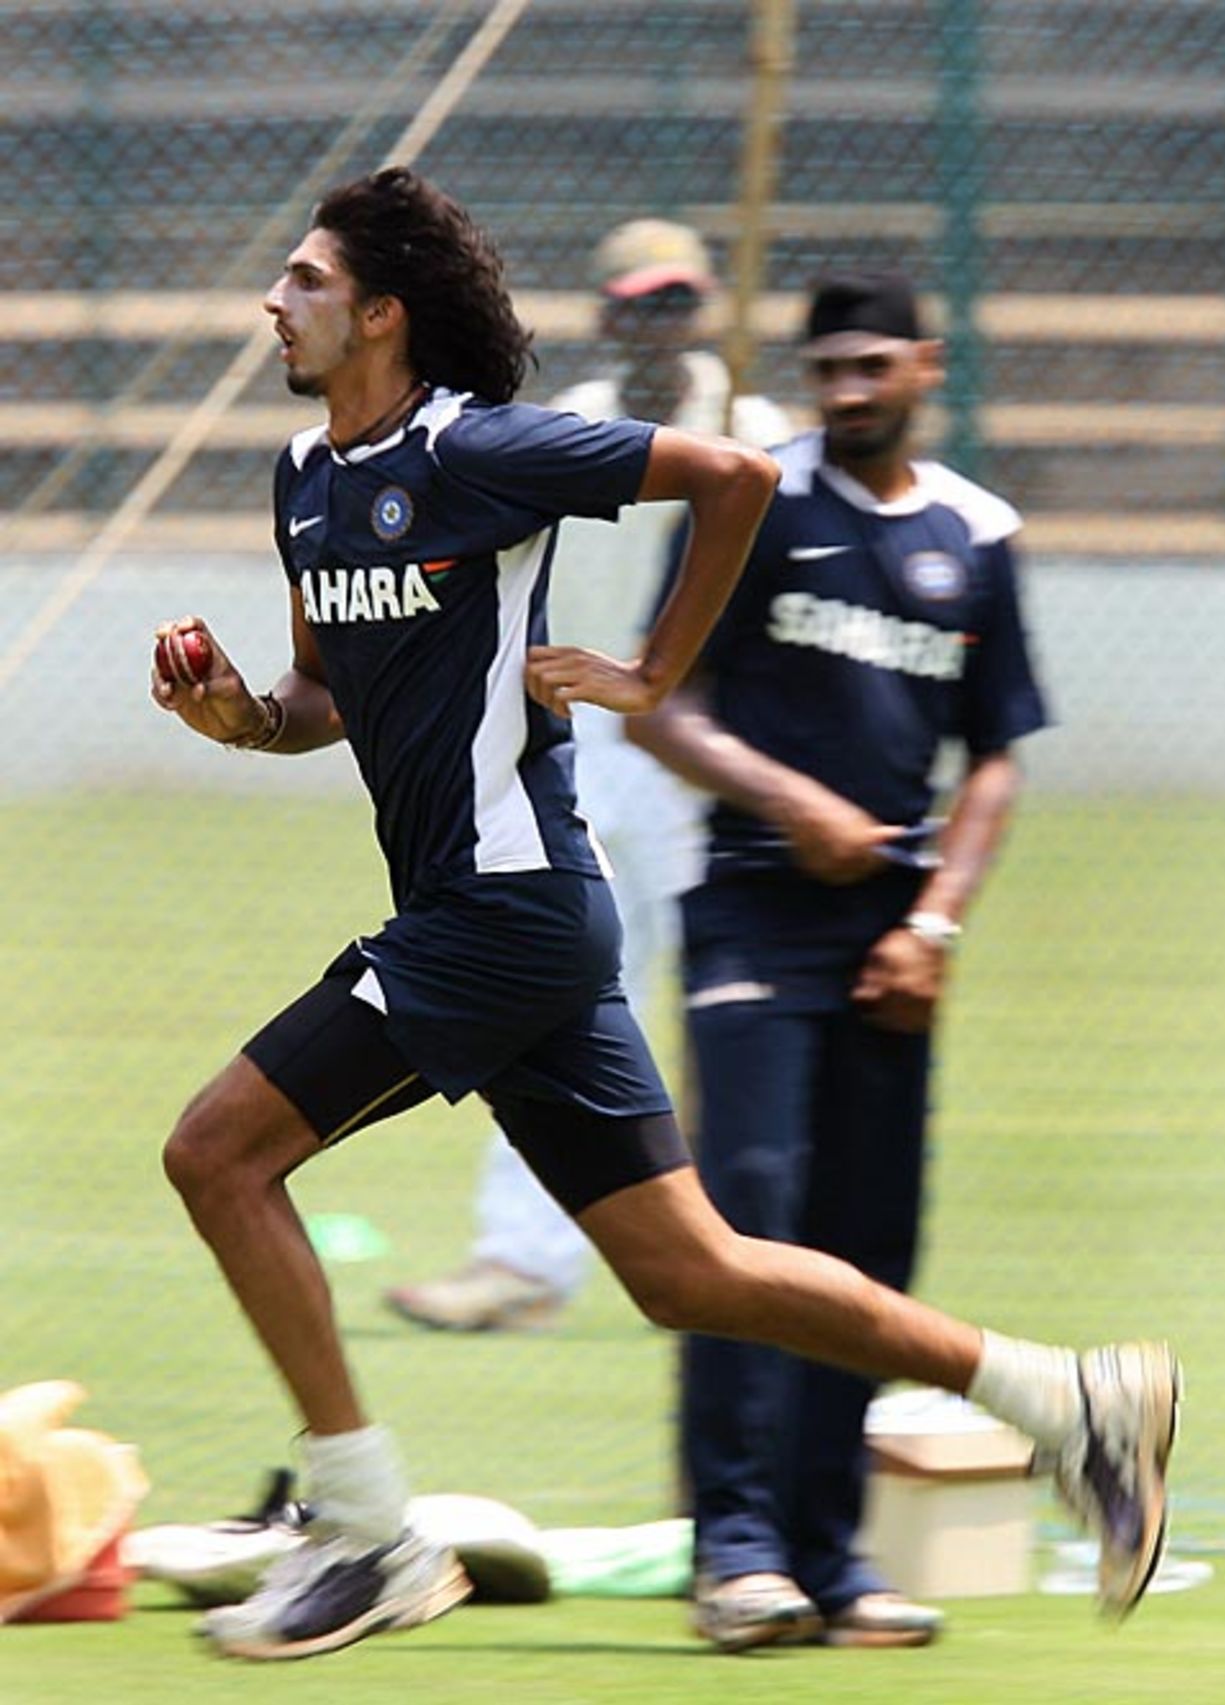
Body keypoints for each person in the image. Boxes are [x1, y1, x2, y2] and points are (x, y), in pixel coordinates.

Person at [149, 166, 1178, 1664]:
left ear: (382, 312)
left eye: (305, 279)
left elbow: (735, 477)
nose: (274, 301)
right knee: (690, 1271)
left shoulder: (483, 448)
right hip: (508, 923)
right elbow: (323, 699)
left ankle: (370, 1532)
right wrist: (240, 718)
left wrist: (648, 680)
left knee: (214, 1152)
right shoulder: (305, 479)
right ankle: (1063, 1396)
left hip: (501, 915)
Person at [625, 270, 1060, 1651]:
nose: (850, 390)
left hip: (894, 946)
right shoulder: (753, 498)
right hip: (756, 917)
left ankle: (833, 1555)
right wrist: (788, 801)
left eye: (875, 365)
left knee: (872, 1244)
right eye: (829, 371)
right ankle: (737, 1553)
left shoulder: (979, 535)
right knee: (746, 1231)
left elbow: (994, 755)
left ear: (929, 363)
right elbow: (657, 703)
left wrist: (934, 927)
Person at [383, 218, 791, 1332]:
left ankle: (761, 1246)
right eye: (638, 303)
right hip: (602, 741)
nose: (657, 321)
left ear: (707, 306)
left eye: (677, 301)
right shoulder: (576, 427)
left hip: (717, 735)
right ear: (608, 312)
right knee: (571, 988)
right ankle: (522, 1260)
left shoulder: (761, 429)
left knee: (737, 996)